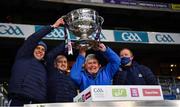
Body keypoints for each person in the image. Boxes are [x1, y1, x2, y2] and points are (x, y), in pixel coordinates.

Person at [8, 18, 64, 106]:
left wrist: (68, 42)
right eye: (38, 48)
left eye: (43, 50)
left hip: (38, 103)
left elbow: (54, 52)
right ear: (32, 49)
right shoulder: (23, 56)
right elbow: (33, 39)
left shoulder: (45, 66)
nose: (40, 51)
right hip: (19, 100)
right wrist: (52, 27)